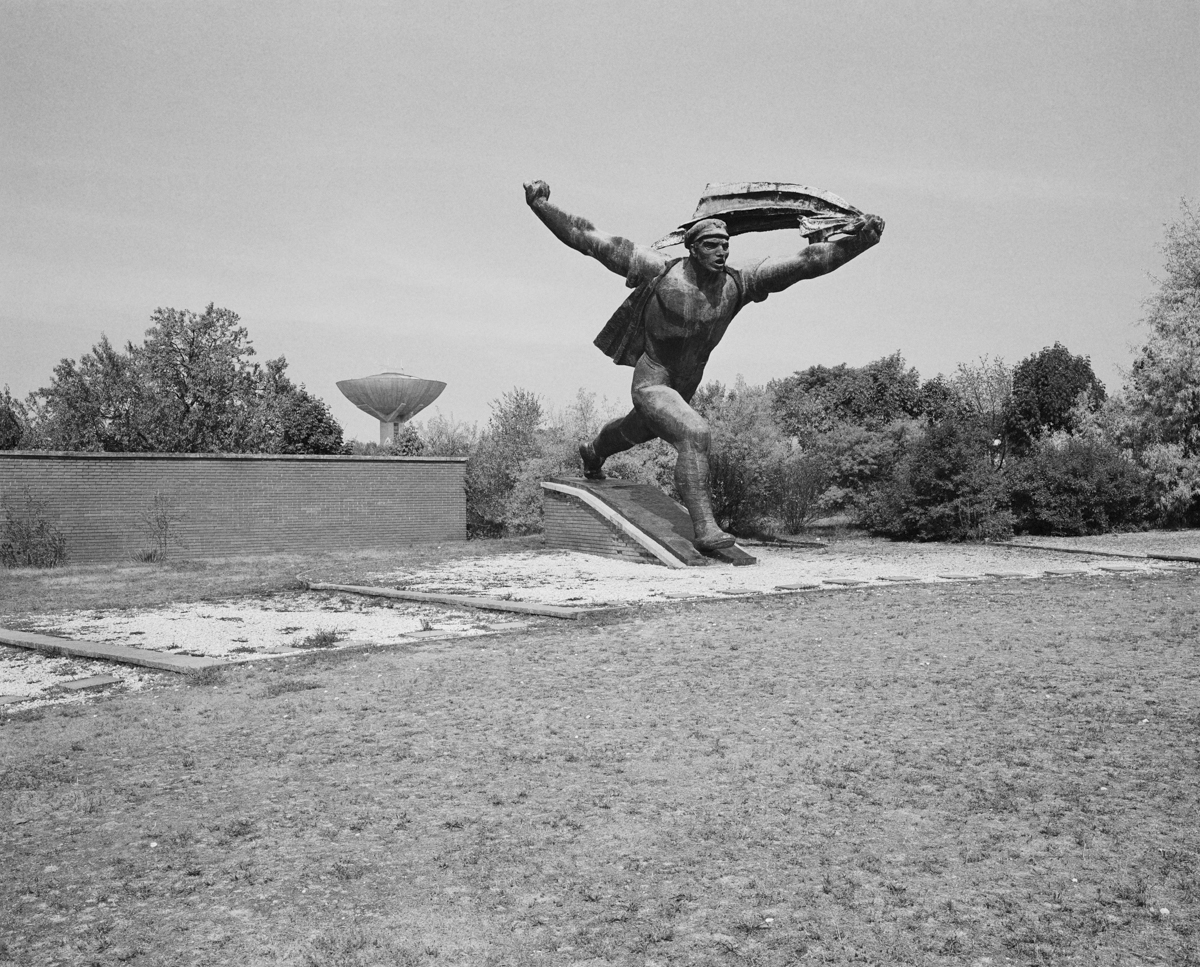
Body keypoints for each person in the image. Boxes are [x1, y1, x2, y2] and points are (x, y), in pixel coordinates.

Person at [524, 179, 884, 552]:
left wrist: (860, 241)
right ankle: (706, 530)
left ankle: (593, 450)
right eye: (712, 245)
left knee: (633, 431)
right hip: (653, 383)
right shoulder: (660, 271)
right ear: (692, 249)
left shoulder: (737, 284)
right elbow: (589, 239)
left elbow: (806, 263)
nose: (722, 252)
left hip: (683, 388)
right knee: (695, 433)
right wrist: (542, 206)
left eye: (726, 245)